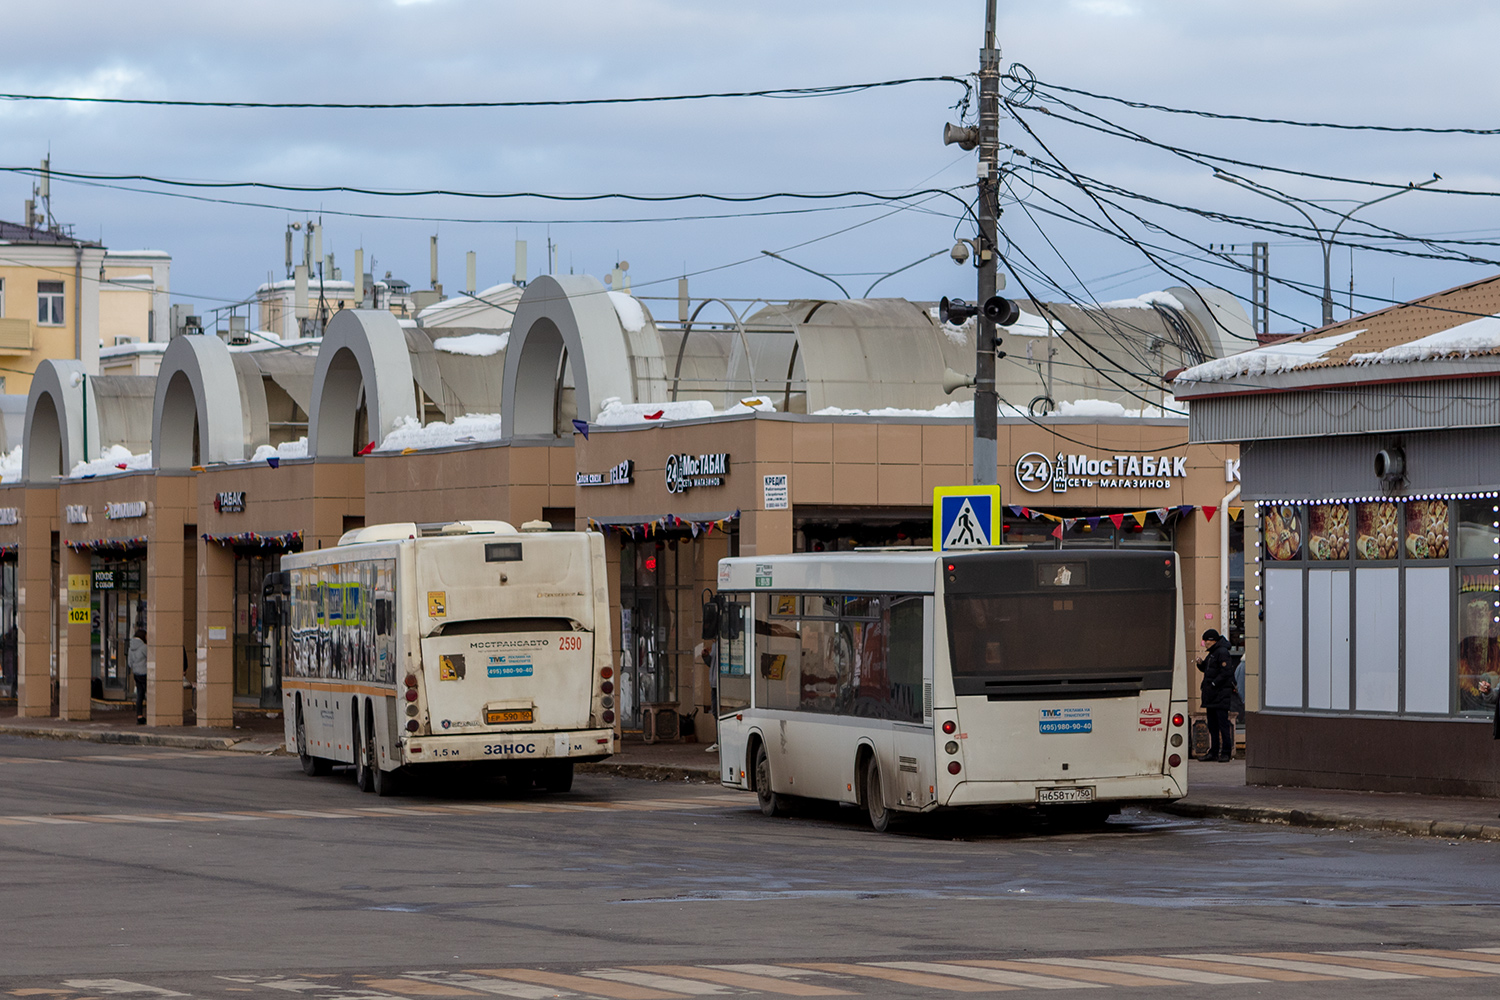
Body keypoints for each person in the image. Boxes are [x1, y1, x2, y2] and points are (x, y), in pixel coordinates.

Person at [1196, 628, 1236, 762]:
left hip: (1220, 695)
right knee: (1212, 725)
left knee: (1222, 724)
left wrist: (1214, 684)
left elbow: (1226, 672)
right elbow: (1208, 669)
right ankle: (1213, 751)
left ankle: (1225, 752)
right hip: (1212, 696)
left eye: (1206, 640)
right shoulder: (1213, 653)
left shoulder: (1222, 652)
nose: (1205, 643)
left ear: (1212, 641)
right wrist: (1201, 664)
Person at [128, 627, 148, 724]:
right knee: (151, 694)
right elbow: (152, 657)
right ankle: (152, 714)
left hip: (136, 674)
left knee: (140, 695)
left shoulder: (131, 648)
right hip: (145, 673)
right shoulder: (144, 647)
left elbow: (129, 663)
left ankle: (139, 716)